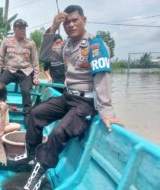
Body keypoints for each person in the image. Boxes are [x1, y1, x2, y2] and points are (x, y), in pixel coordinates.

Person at [8, 5, 122, 190]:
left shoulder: (96, 45)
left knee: (58, 132)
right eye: (66, 22)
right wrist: (53, 27)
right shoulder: (66, 45)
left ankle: (39, 173)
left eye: (74, 20)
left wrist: (106, 111)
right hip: (68, 97)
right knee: (35, 114)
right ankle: (31, 156)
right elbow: (44, 55)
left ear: (84, 21)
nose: (70, 25)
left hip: (86, 102)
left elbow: (102, 79)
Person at [0, 19, 40, 118]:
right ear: (14, 29)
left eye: (24, 28)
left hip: (25, 72)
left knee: (26, 91)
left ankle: (27, 115)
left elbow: (35, 61)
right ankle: (0, 108)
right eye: (20, 28)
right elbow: (0, 57)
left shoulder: (30, 43)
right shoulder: (6, 41)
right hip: (10, 70)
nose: (23, 30)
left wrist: (36, 76)